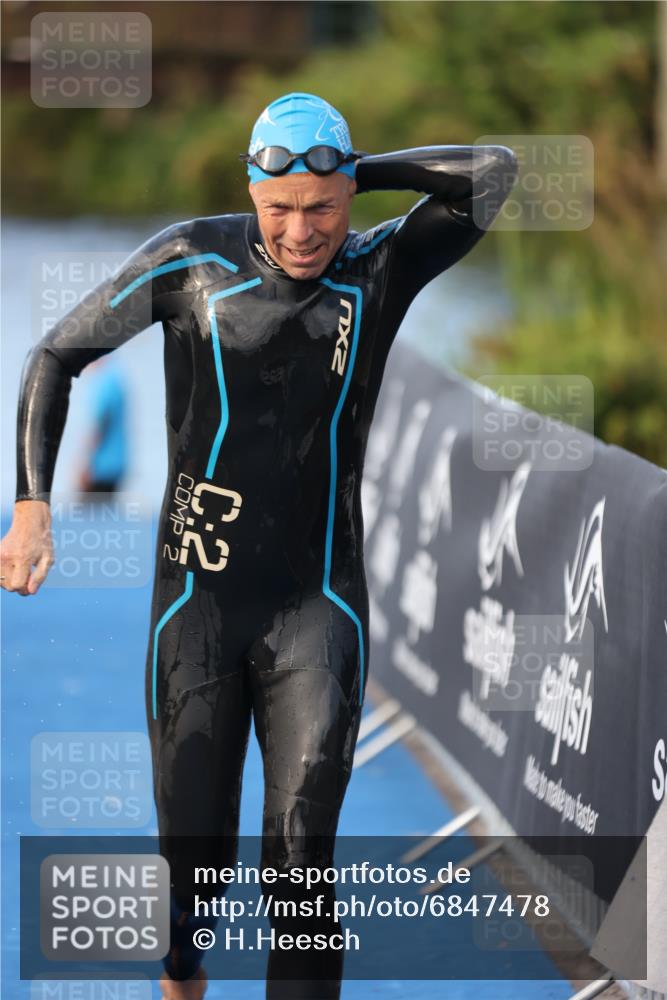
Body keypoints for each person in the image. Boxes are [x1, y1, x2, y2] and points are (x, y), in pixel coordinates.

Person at [0, 92, 518, 999]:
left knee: (302, 868)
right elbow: (53, 357)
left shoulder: (380, 269)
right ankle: (181, 969)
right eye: (278, 209)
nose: (302, 230)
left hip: (318, 603)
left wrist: (358, 166)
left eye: (322, 208)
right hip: (195, 605)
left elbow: (494, 173)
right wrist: (33, 506)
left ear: (348, 199)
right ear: (250, 191)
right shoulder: (188, 260)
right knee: (194, 873)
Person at [76, 356, 129, 497]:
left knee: (87, 516)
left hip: (100, 468)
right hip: (115, 465)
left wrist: (84, 465)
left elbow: (99, 427)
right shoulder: (115, 378)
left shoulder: (104, 382)